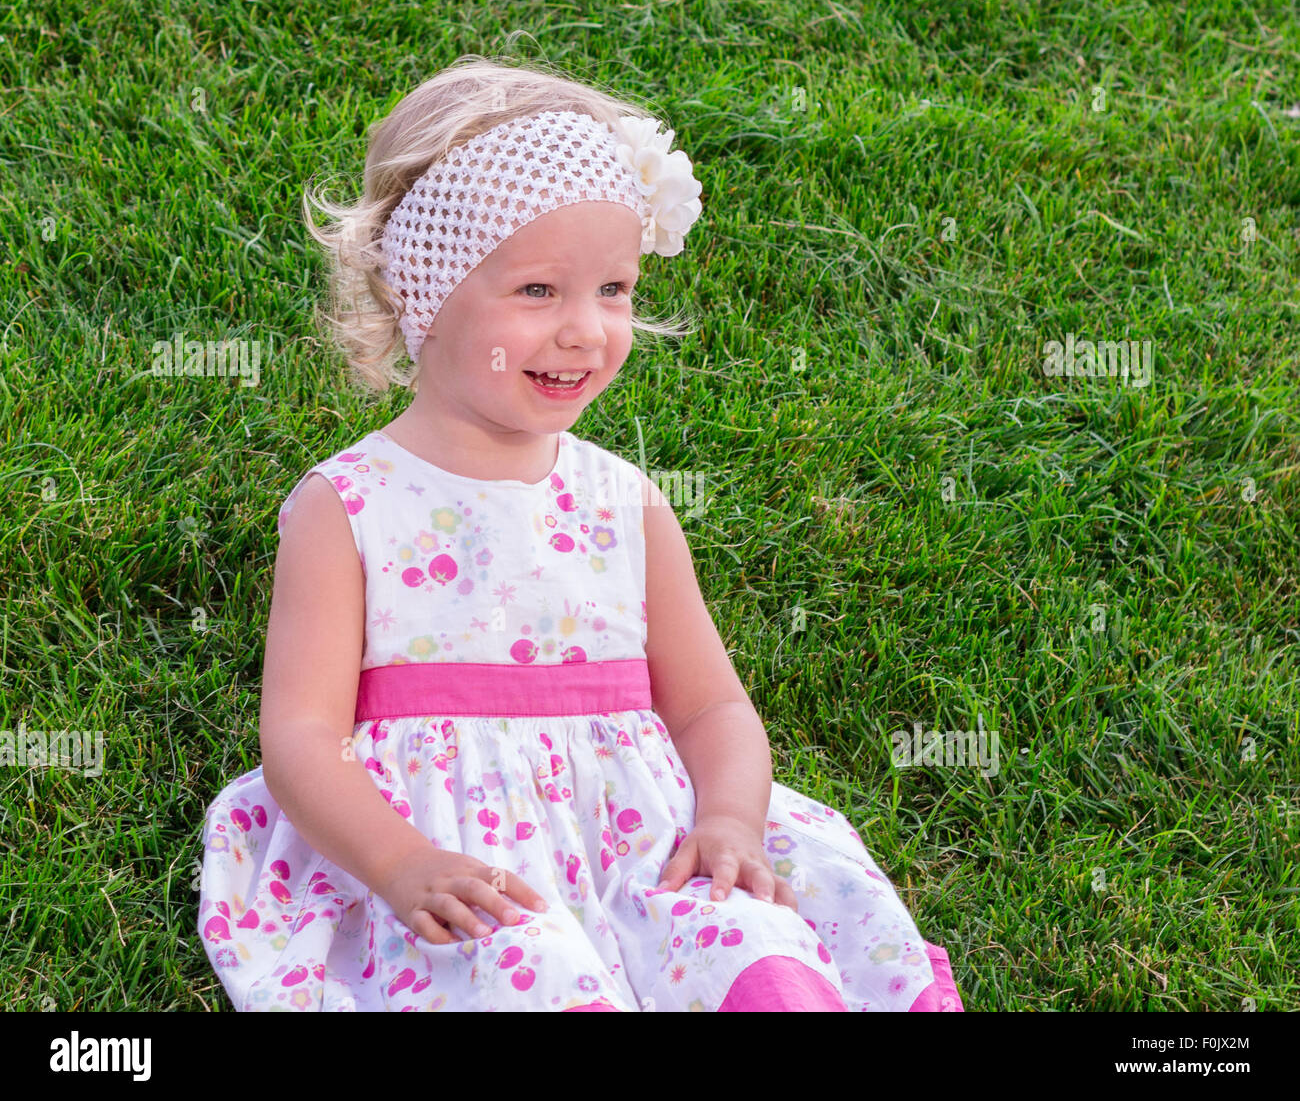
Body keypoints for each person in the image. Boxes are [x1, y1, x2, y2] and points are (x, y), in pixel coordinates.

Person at [197, 55, 964, 1012]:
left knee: (745, 948)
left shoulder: (626, 498)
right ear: (423, 293)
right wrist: (402, 864)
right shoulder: (349, 503)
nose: (585, 331)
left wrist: (728, 817)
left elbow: (711, 710)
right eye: (537, 292)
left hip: (643, 843)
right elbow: (303, 737)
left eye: (614, 289)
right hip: (463, 861)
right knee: (525, 969)